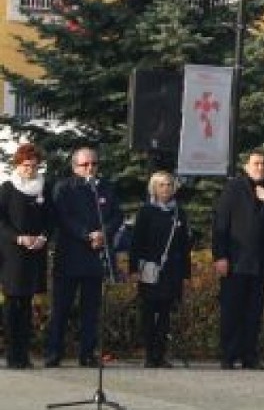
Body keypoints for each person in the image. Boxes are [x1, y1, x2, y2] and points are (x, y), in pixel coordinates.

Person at [212, 151, 264, 370]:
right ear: (247, 166)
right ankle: (228, 355)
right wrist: (220, 256)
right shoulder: (233, 188)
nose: (260, 167)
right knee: (232, 310)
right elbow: (220, 224)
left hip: (261, 262)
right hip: (235, 261)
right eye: (256, 163)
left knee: (254, 312)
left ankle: (250, 355)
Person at [45, 146, 122, 368]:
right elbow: (62, 217)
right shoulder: (64, 187)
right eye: (84, 164)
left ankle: (87, 353)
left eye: (93, 164)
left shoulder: (105, 187)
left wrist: (104, 233)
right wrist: (86, 234)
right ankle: (54, 352)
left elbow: (117, 215)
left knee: (91, 310)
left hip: (95, 259)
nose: (90, 168)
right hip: (70, 256)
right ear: (74, 166)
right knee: (61, 308)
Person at [129, 170, 191, 368]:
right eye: (162, 185)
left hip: (172, 270)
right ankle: (149, 354)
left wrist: (186, 272)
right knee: (148, 312)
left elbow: (184, 244)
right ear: (154, 188)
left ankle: (161, 354)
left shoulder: (179, 212)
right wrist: (134, 267)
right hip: (150, 268)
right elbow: (136, 241)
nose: (166, 189)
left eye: (169, 185)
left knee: (165, 313)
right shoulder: (146, 211)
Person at [0, 143, 51, 369]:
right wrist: (18, 238)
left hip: (34, 255)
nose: (30, 169)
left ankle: (24, 354)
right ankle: (13, 355)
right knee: (13, 305)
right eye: (25, 165)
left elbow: (52, 220)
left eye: (34, 166)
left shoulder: (43, 189)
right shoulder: (8, 188)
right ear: (18, 165)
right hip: (12, 256)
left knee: (28, 304)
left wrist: (43, 236)